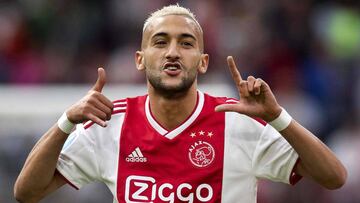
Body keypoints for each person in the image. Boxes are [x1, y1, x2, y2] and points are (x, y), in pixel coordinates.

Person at [14, 4, 346, 203]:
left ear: (202, 61)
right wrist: (66, 122)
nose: (173, 52)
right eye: (161, 42)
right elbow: (26, 192)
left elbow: (334, 176)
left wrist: (277, 118)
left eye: (185, 43)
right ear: (140, 60)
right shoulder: (109, 124)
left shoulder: (237, 121)